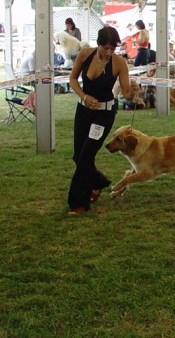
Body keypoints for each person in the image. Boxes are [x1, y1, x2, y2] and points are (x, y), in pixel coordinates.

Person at [67, 26, 139, 215]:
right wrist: (84, 97)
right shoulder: (84, 54)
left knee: (86, 156)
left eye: (112, 49)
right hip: (83, 110)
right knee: (77, 155)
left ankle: (78, 203)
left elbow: (127, 94)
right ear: (98, 44)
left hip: (104, 114)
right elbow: (73, 79)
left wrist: (133, 91)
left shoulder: (119, 63)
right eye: (105, 48)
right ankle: (98, 181)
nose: (108, 52)